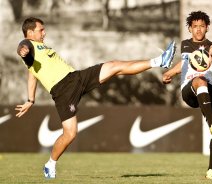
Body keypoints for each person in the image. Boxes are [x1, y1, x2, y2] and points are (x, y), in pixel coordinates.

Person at [15, 17, 176, 179]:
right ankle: (50, 164)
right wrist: (22, 50)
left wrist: (30, 100)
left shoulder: (39, 50)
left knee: (115, 66)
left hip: (76, 78)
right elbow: (23, 47)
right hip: (63, 91)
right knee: (70, 134)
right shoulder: (28, 45)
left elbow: (32, 75)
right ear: (30, 32)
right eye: (41, 30)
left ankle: (160, 61)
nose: (44, 32)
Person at [162, 11, 212, 179]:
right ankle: (211, 122)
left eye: (201, 26)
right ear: (190, 29)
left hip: (208, 88)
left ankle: (211, 171)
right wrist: (169, 73)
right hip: (189, 89)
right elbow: (183, 65)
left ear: (207, 28)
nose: (198, 30)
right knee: (200, 80)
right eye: (195, 27)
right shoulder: (185, 45)